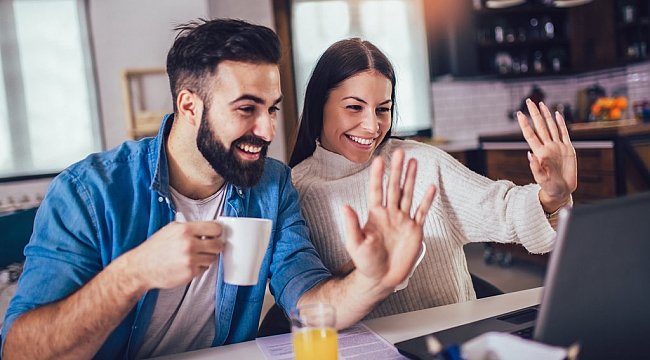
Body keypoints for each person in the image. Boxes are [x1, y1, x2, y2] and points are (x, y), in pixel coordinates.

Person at [1, 20, 436, 359]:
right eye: (247, 109)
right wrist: (133, 274)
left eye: (272, 109)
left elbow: (308, 303)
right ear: (189, 105)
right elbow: (20, 351)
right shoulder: (88, 193)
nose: (267, 130)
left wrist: (375, 279)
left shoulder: (271, 186)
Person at [289, 38, 577, 319]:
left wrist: (552, 197)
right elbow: (306, 298)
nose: (372, 126)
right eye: (354, 107)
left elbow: (503, 210)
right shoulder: (294, 192)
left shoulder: (422, 162)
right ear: (318, 104)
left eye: (383, 109)